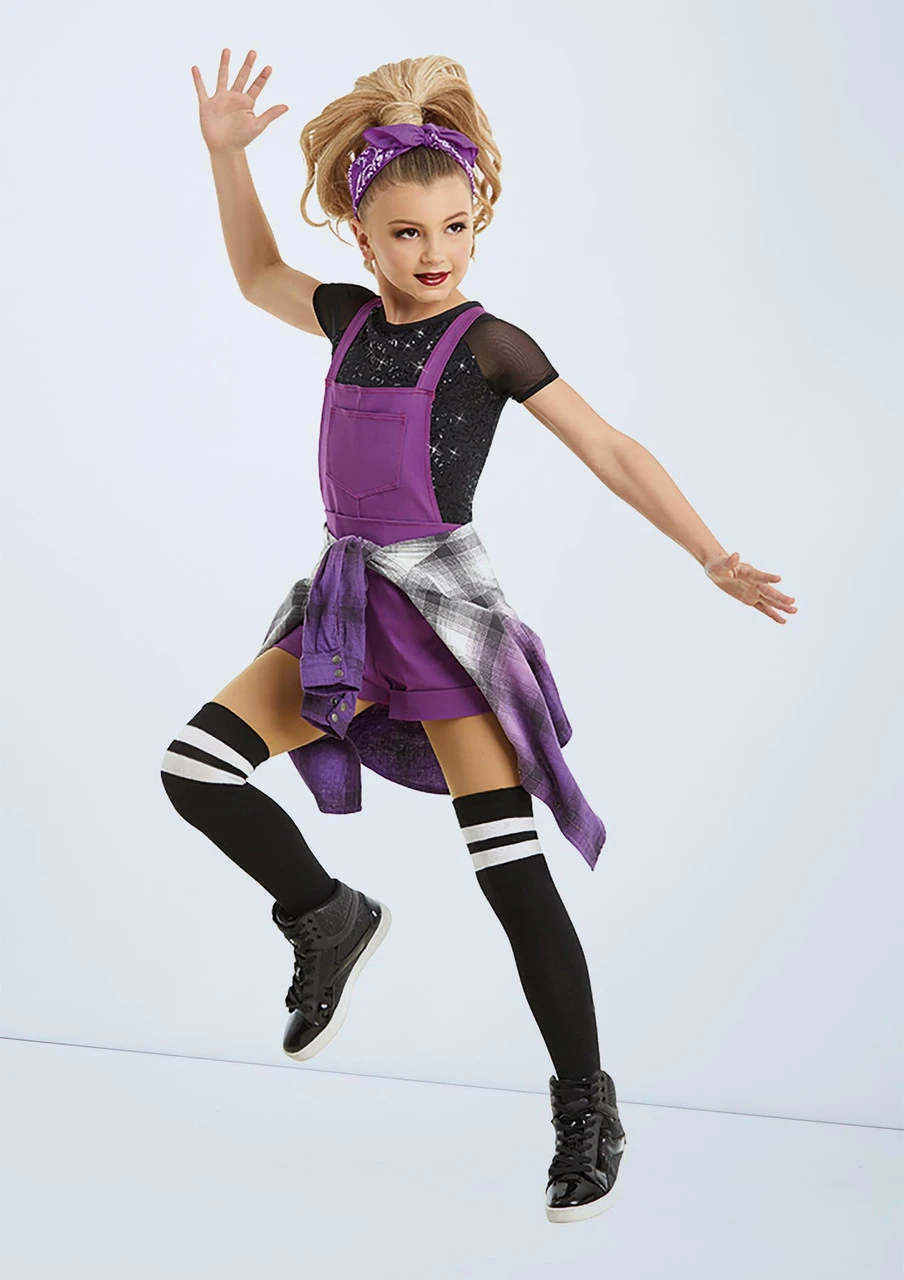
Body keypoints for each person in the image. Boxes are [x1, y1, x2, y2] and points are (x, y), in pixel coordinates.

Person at [166, 52, 797, 1225]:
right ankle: (325, 912)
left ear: (477, 220)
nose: (435, 252)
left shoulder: (489, 342)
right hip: (345, 608)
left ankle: (586, 1105)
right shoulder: (347, 319)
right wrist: (226, 156)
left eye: (455, 226)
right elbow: (255, 271)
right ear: (361, 235)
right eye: (407, 232)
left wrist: (709, 554)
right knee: (193, 767)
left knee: (511, 872)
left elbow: (609, 447)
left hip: (445, 619)